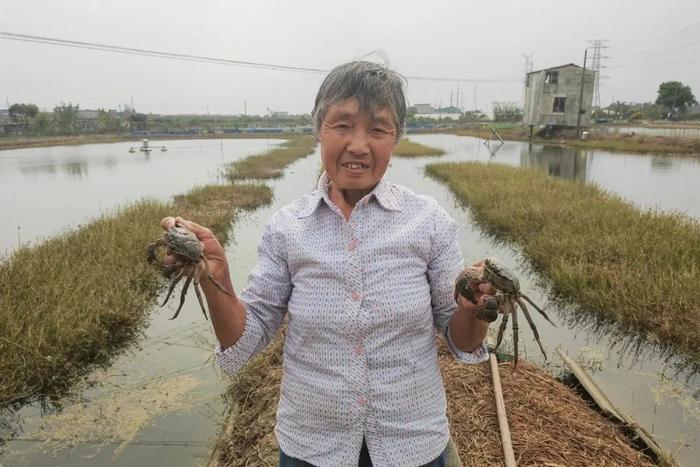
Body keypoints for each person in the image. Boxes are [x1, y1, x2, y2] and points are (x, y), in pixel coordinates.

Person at [160, 61, 492, 467]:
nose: (358, 144)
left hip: (413, 443)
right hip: (312, 447)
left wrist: (474, 311)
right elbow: (247, 336)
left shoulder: (428, 222)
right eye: (342, 125)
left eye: (378, 128)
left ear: (397, 137)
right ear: (319, 129)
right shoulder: (287, 228)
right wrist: (216, 277)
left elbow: (460, 339)